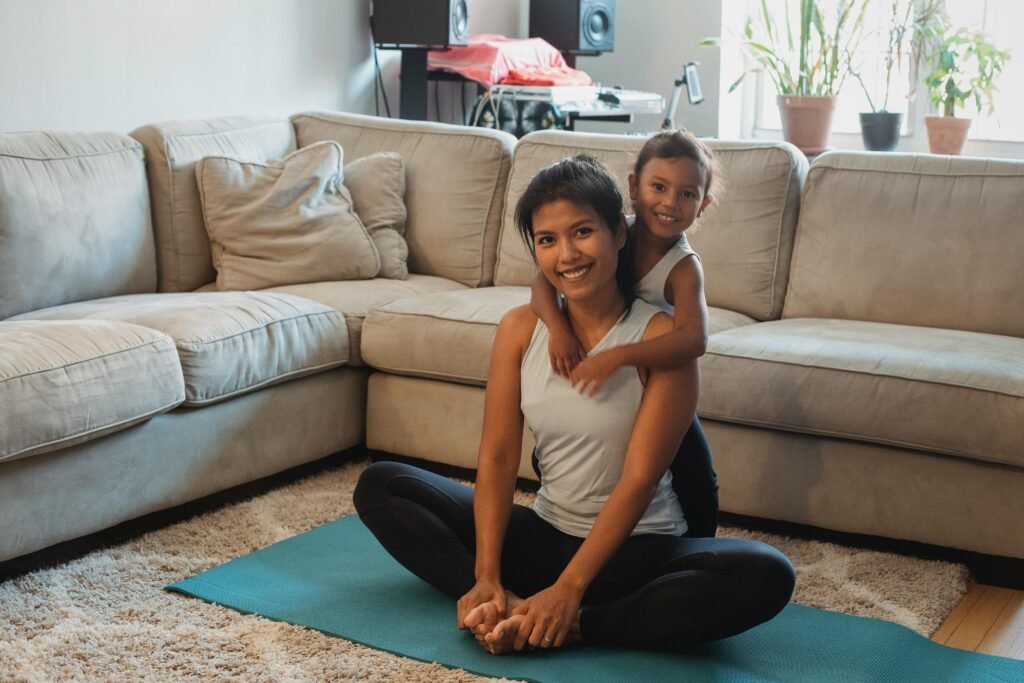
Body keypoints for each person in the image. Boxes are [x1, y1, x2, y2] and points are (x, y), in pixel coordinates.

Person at [353, 155, 794, 656]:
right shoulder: (520, 330)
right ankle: (503, 603)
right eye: (547, 240)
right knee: (382, 486)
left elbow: (639, 480)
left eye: (582, 232)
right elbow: (497, 457)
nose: (567, 254)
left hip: (634, 551)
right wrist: (486, 574)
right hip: (548, 532)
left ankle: (576, 623)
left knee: (764, 573)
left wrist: (567, 593)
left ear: (620, 233)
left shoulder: (662, 340)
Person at [529, 129, 720, 537]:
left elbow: (694, 339)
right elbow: (541, 284)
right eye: (659, 187)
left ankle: (698, 548)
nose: (670, 203)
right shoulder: (611, 231)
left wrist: (620, 355)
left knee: (693, 467)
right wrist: (557, 328)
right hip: (602, 345)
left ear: (702, 204)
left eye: (687, 194)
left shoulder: (684, 267)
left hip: (658, 380)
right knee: (570, 441)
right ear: (634, 186)